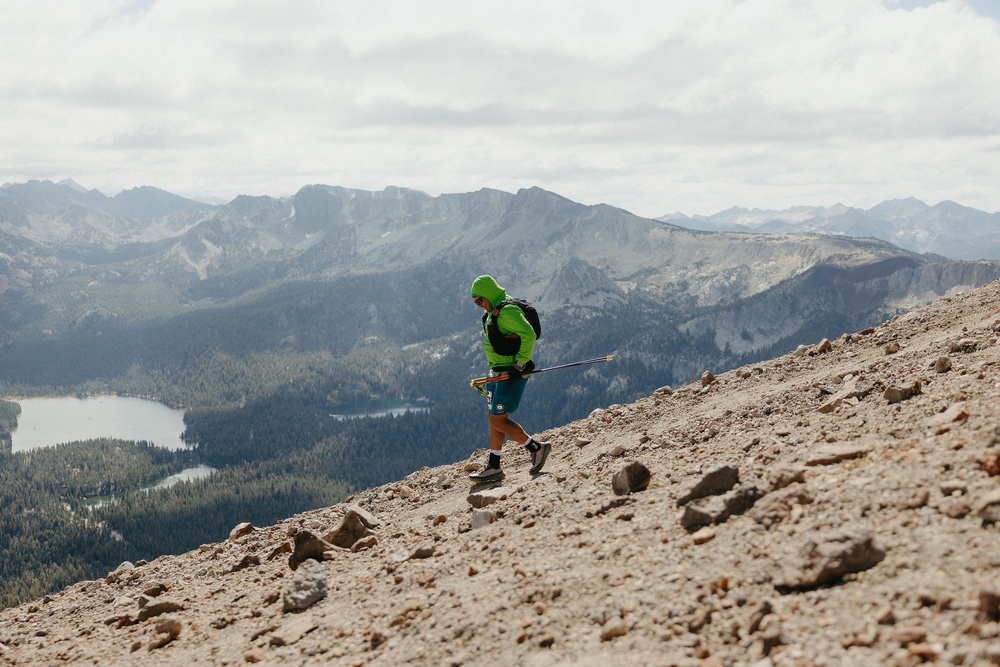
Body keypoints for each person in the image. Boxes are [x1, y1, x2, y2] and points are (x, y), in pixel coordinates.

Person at [468, 275, 550, 482]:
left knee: (496, 419)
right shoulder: (494, 311)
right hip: (497, 372)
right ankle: (494, 466)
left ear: (489, 295)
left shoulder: (508, 311)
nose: (479, 305)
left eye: (480, 300)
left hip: (509, 373)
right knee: (495, 420)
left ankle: (537, 448)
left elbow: (529, 335)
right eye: (475, 302)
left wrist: (520, 364)